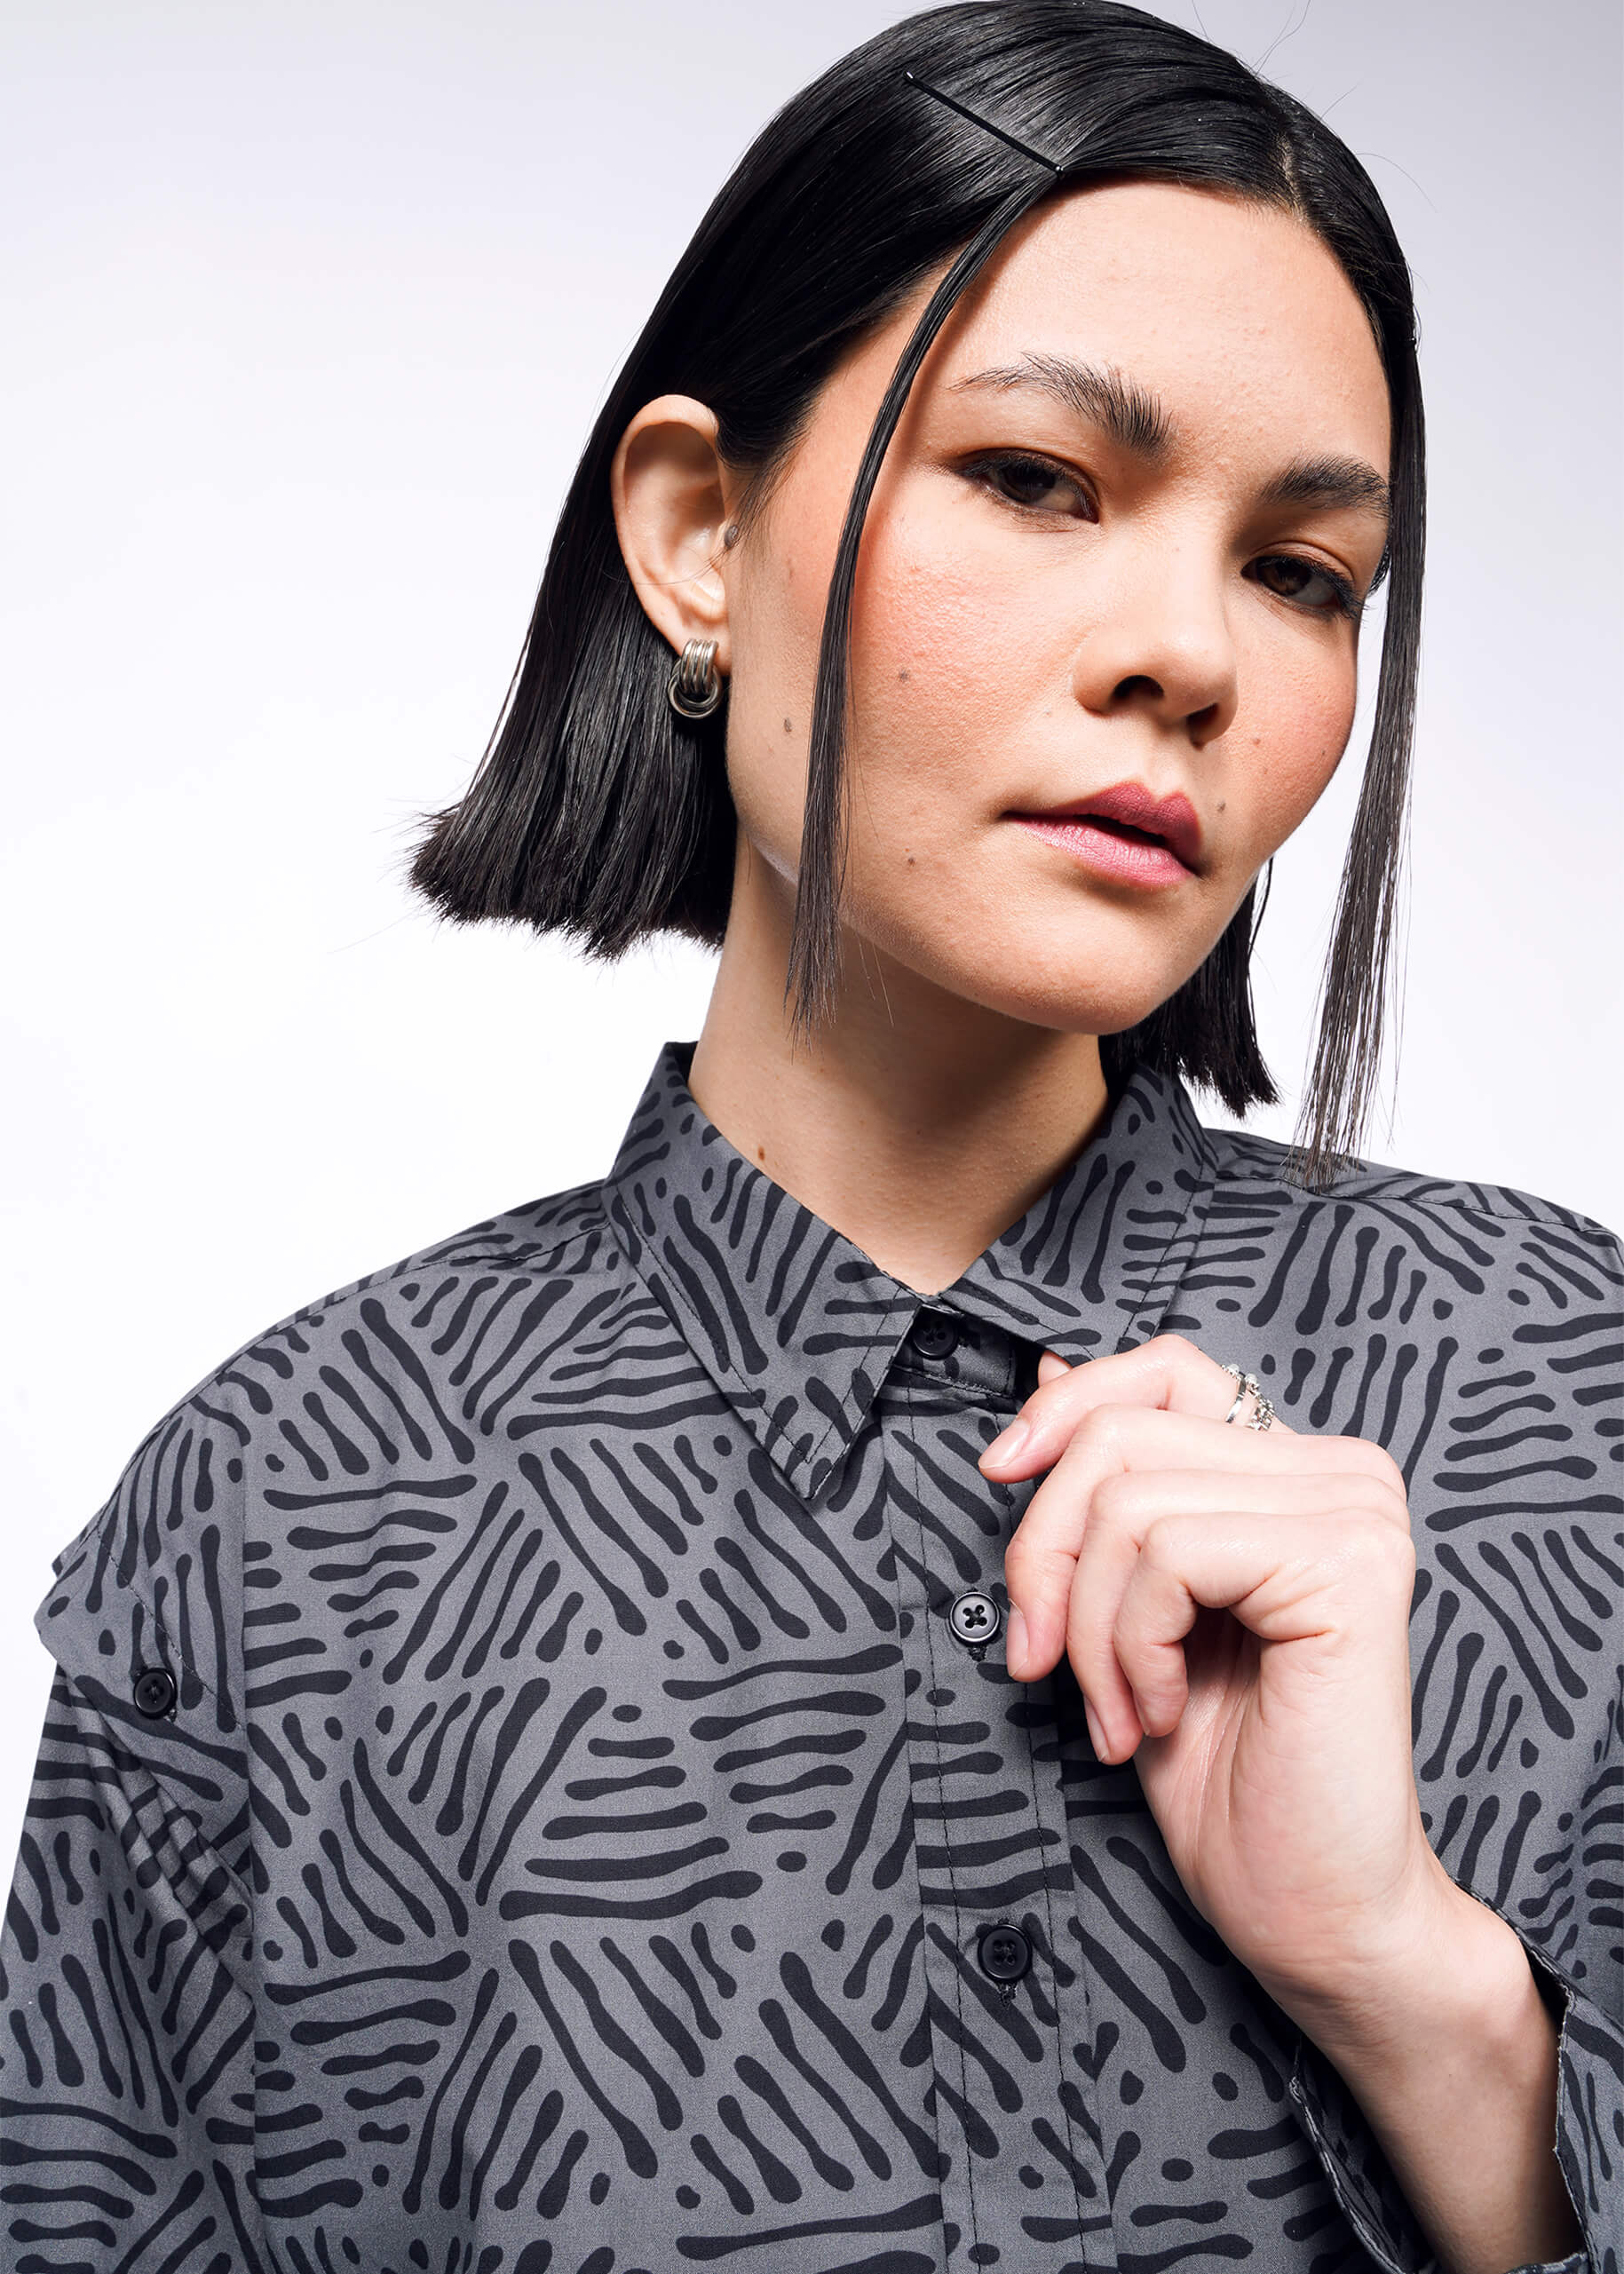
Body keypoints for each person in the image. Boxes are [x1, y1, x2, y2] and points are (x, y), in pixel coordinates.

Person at [2, 4, 1616, 2269]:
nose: (1192, 654)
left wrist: (1432, 2001)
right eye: (1039, 480)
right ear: (697, 533)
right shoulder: (275, 1528)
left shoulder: (1571, 1399)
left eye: (1304, 573)